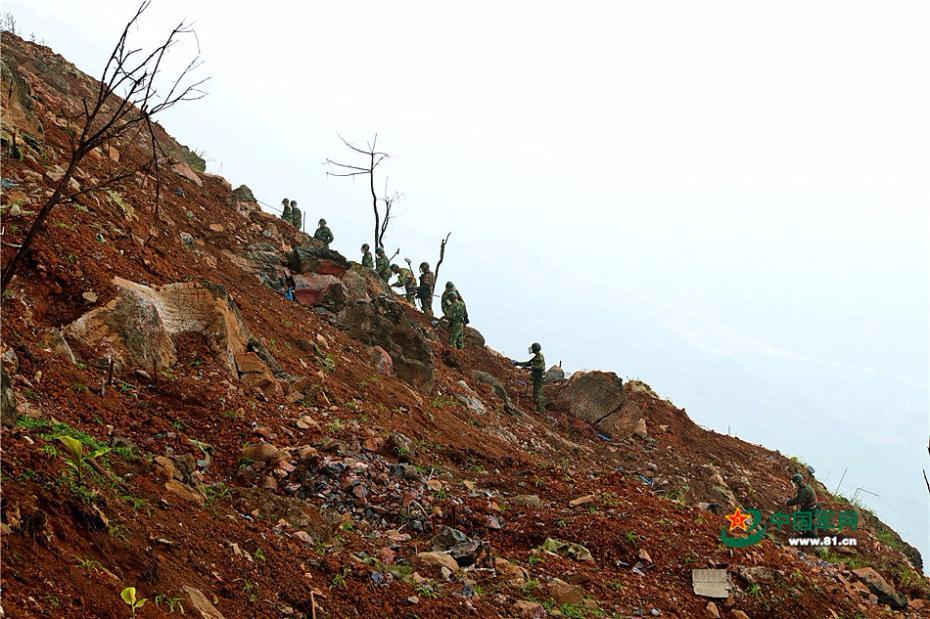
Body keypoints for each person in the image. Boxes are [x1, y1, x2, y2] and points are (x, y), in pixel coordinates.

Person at [514, 343, 546, 413]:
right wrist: (518, 363)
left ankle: (541, 410)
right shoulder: (537, 356)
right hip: (537, 377)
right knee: (536, 394)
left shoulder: (539, 358)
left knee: (537, 395)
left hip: (539, 378)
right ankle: (540, 409)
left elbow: (540, 367)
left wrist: (531, 367)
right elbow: (528, 363)